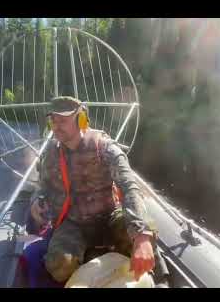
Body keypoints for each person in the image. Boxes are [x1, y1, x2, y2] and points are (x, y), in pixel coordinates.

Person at [30, 96, 156, 284]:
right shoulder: (50, 153)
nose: (56, 126)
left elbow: (129, 186)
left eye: (62, 120)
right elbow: (42, 185)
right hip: (73, 223)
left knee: (146, 237)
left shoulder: (104, 147)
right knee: (59, 265)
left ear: (81, 119)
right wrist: (35, 201)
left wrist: (142, 236)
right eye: (53, 121)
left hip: (109, 216)